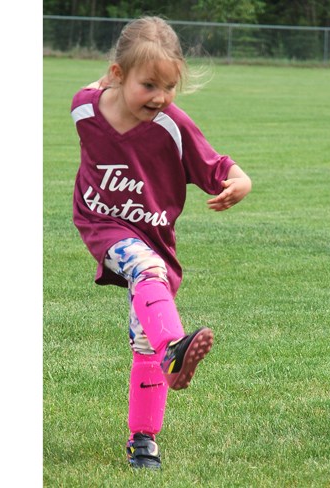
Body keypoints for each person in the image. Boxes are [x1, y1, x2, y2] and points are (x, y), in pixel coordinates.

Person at [69, 16, 252, 469]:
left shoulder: (172, 124)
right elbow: (91, 95)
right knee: (145, 270)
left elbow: (216, 166)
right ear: (116, 75)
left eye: (169, 87)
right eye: (148, 85)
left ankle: (143, 440)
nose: (161, 97)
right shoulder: (84, 110)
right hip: (101, 223)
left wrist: (240, 181)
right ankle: (176, 345)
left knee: (143, 343)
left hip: (154, 234)